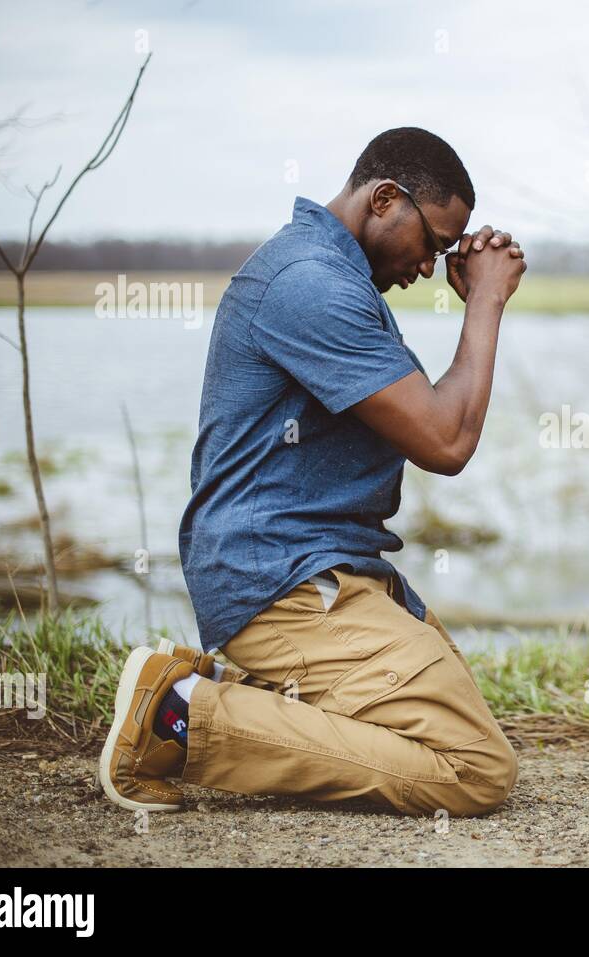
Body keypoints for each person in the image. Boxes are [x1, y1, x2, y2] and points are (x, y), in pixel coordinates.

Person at [99, 127, 526, 817]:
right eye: (433, 243)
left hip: (317, 574)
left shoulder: (339, 280)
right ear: (385, 199)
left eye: (447, 252)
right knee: (474, 768)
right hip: (284, 580)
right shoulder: (311, 287)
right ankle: (175, 718)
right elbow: (447, 441)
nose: (429, 267)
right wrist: (484, 302)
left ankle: (244, 696)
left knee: (439, 730)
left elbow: (442, 418)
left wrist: (480, 297)